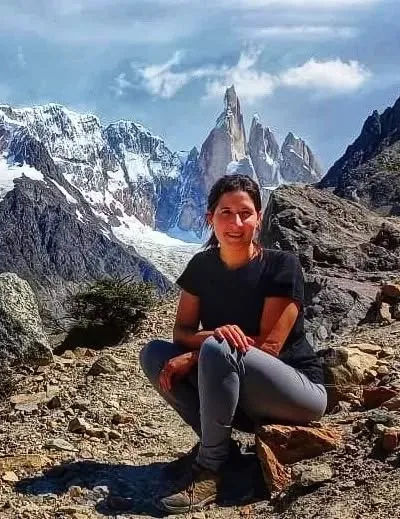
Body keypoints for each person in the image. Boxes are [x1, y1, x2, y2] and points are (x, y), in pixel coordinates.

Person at [139, 174, 326, 514]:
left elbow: (269, 347)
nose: (236, 223)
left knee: (218, 348)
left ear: (259, 217)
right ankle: (223, 449)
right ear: (210, 218)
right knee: (154, 354)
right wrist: (211, 338)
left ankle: (212, 468)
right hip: (236, 391)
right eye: (226, 212)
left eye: (245, 213)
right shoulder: (201, 266)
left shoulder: (282, 266)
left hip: (296, 392)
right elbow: (181, 331)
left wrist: (201, 351)